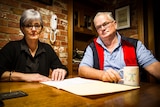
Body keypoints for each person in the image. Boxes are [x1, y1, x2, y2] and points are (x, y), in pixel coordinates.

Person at [78, 12, 160, 83]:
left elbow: (153, 65)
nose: (102, 28)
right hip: (104, 91)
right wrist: (102, 74)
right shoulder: (92, 47)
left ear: (115, 24)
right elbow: (82, 69)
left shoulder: (134, 45)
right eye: (98, 27)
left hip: (131, 92)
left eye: (105, 24)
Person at [0, 9, 68, 82]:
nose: (33, 29)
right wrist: (26, 77)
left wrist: (62, 71)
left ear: (41, 28)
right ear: (22, 28)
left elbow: (62, 67)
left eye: (37, 25)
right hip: (19, 92)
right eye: (29, 25)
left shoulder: (47, 48)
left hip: (42, 91)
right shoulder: (12, 47)